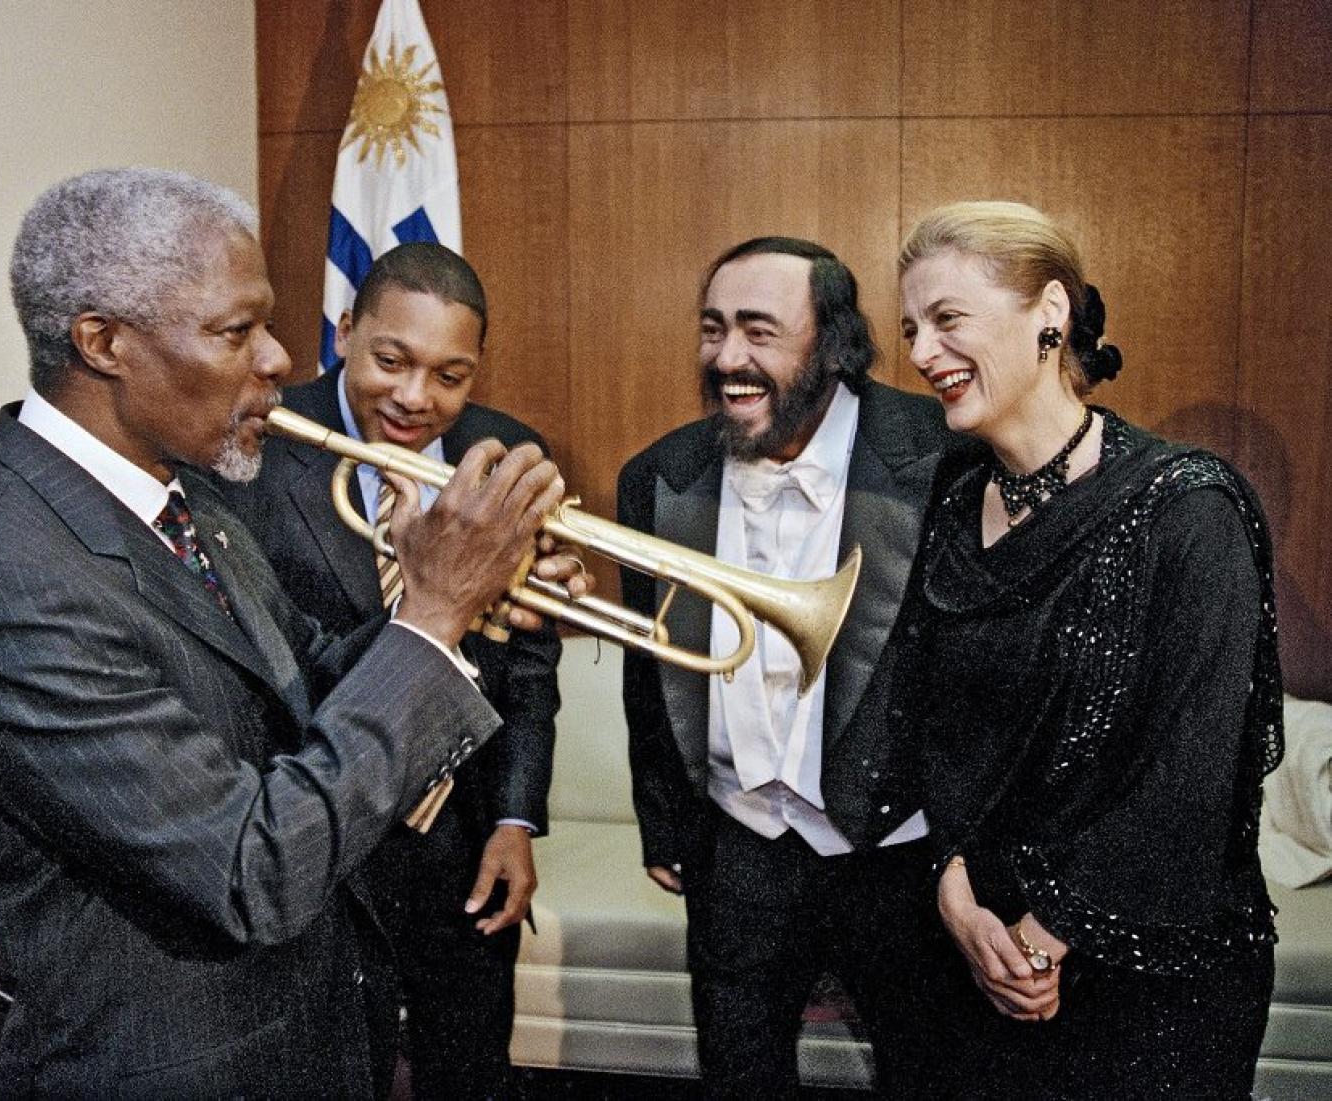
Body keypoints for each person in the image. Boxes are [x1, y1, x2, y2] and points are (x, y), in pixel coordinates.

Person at [0, 168, 581, 1099]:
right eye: (236, 331)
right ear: (103, 343)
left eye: (266, 324)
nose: (275, 359)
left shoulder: (189, 501)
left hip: (309, 1032)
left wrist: (463, 604)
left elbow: (309, 681)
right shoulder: (7, 586)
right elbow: (247, 870)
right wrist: (432, 616)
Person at [894, 200, 1281, 1098]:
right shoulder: (956, 500)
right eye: (911, 327)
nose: (919, 353)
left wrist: (1038, 941)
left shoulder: (1191, 507)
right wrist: (956, 895)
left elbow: (1189, 776)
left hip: (1149, 987)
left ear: (1051, 314)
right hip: (978, 955)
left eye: (948, 319)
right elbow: (922, 725)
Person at [218, 242, 558, 1099]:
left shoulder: (505, 453)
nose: (415, 398)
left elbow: (529, 669)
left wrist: (515, 816)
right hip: (318, 820)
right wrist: (436, 601)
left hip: (464, 830)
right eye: (390, 361)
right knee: (340, 1067)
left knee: (470, 1063)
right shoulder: (258, 446)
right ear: (344, 333)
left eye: (450, 375)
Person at [618, 237, 954, 1098]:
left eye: (760, 331)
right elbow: (650, 665)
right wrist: (667, 821)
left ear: (835, 345)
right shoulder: (658, 474)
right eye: (714, 328)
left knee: (929, 1072)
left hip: (897, 849)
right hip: (740, 847)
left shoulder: (944, 455)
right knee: (738, 1073)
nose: (729, 357)